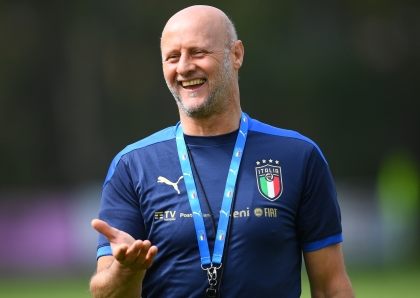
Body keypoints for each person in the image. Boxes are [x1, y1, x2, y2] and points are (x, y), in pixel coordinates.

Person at [90, 5, 354, 298]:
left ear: (236, 54)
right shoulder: (133, 165)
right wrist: (126, 270)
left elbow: (332, 287)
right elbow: (106, 293)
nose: (185, 67)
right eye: (173, 57)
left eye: (198, 53)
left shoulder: (299, 156)